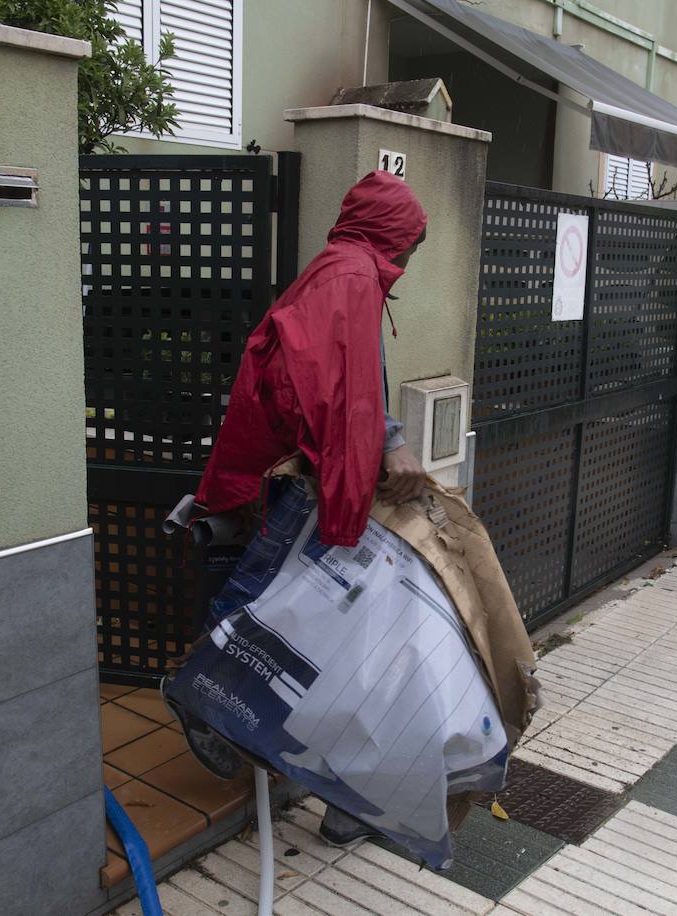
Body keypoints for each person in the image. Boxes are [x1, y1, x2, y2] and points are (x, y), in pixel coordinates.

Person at [173, 169, 429, 846]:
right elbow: (346, 385)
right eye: (409, 244)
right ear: (389, 235)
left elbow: (346, 373)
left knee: (295, 599)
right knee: (293, 600)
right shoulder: (351, 277)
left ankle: (227, 702)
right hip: (306, 470)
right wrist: (384, 453)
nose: (409, 260)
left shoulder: (340, 268)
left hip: (297, 462)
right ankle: (204, 690)